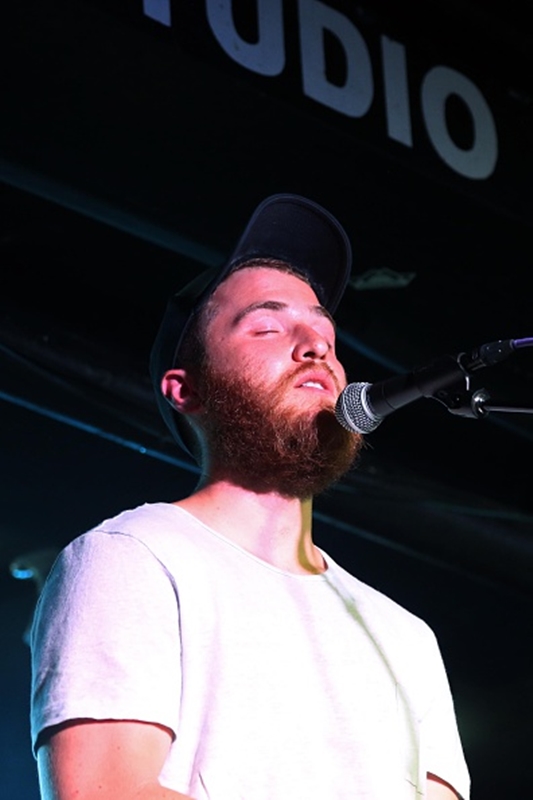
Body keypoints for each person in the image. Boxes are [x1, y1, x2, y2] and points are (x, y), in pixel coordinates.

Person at [30, 194, 470, 800]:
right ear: (187, 390)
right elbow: (107, 791)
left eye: (325, 334)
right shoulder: (134, 558)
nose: (315, 346)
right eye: (267, 326)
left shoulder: (406, 636)